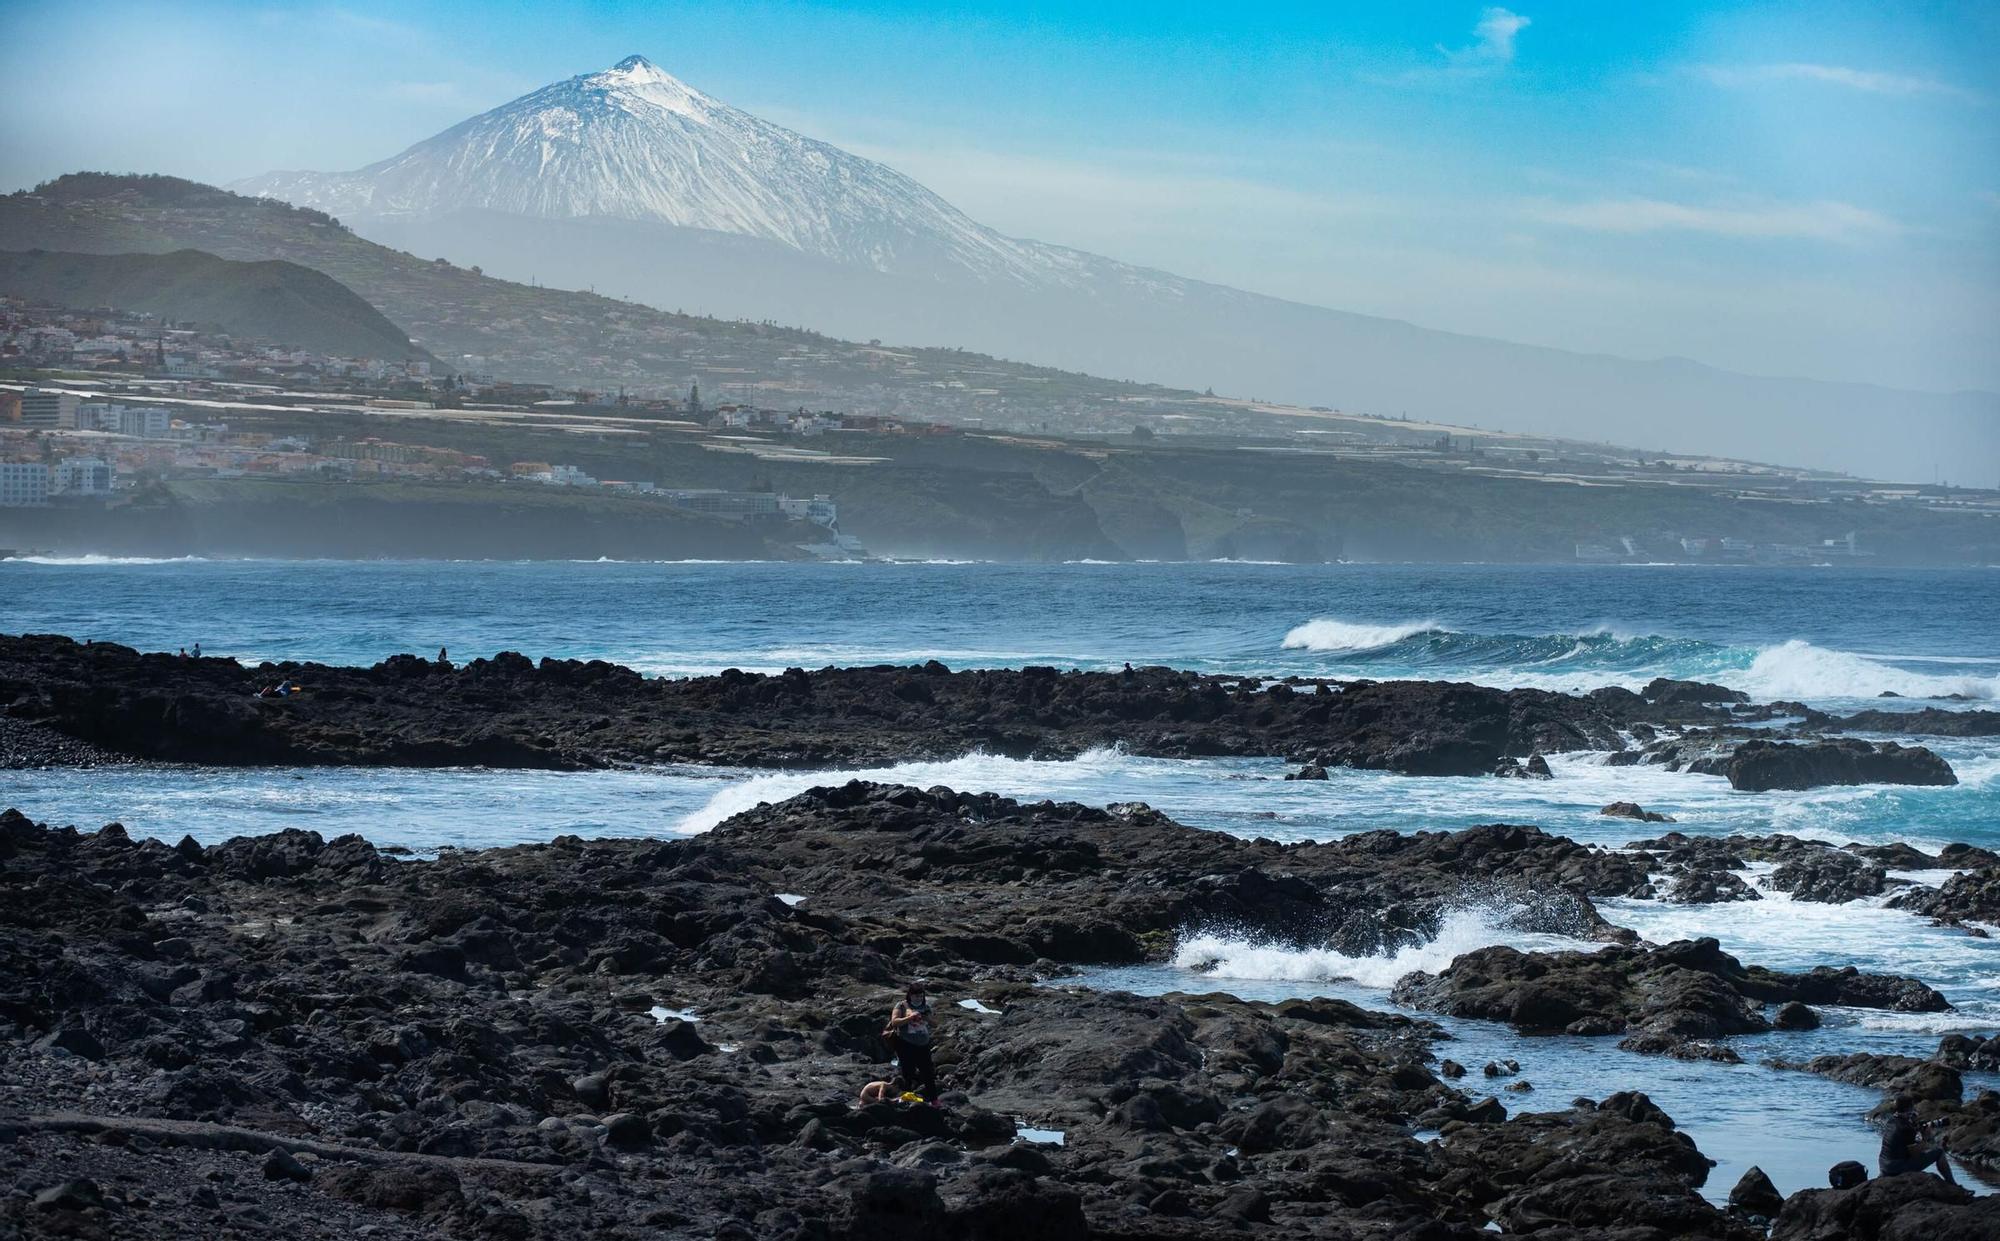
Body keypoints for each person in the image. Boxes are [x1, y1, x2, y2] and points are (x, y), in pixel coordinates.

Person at [1879, 1094, 1956, 1184]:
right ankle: (1952, 1183)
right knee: (1939, 1152)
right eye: (1913, 1107)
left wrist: (1916, 1129)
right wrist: (1926, 1138)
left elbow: (1903, 1142)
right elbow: (1915, 1153)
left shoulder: (1891, 1121)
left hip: (1883, 1165)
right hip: (1896, 1168)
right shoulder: (1906, 1128)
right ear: (1909, 1108)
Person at [883, 982, 938, 1100]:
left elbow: (935, 1024)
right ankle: (906, 1098)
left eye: (921, 996)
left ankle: (934, 1100)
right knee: (907, 1073)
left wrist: (927, 1018)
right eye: (916, 996)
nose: (919, 998)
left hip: (923, 1045)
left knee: (928, 1073)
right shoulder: (901, 1005)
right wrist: (909, 1018)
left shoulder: (926, 1007)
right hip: (906, 1044)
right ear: (910, 995)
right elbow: (894, 1022)